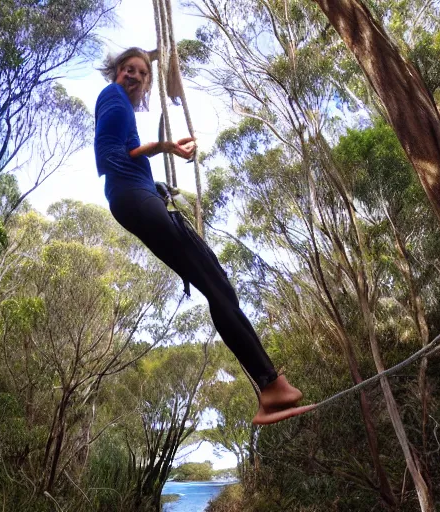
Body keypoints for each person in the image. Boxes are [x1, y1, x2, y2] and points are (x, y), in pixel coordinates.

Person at [94, 47, 314, 425]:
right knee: (215, 282)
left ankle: (269, 390)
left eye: (141, 73)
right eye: (127, 69)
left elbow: (124, 156)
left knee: (216, 285)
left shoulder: (120, 104)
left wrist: (160, 55)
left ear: (147, 82)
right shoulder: (113, 98)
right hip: (133, 198)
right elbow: (117, 152)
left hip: (132, 199)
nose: (133, 76)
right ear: (116, 72)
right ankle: (270, 385)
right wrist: (165, 147)